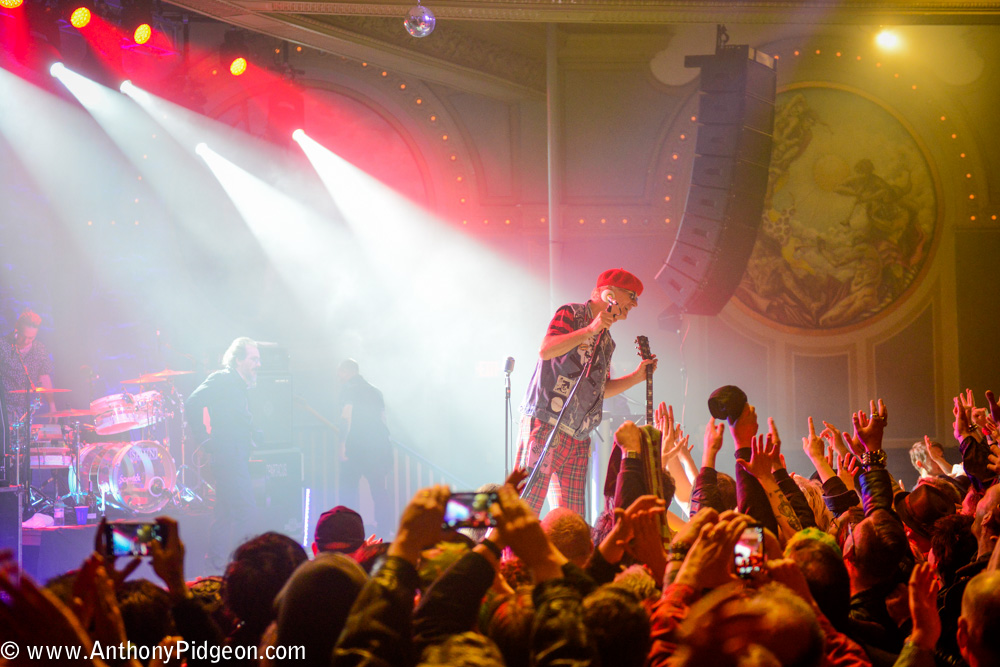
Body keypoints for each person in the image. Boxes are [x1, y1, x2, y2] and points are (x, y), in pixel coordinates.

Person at [516, 268, 656, 516]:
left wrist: (636, 377)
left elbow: (599, 391)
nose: (632, 306)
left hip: (578, 437)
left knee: (571, 519)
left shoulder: (607, 342)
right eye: (630, 297)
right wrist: (589, 329)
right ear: (609, 294)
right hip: (546, 423)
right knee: (526, 506)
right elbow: (546, 350)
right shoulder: (571, 313)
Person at [186, 336, 261, 569]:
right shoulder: (222, 378)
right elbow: (192, 403)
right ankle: (242, 564)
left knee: (225, 511)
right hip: (228, 455)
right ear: (238, 359)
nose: (258, 364)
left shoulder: (239, 385)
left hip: (234, 454)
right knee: (246, 510)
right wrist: (205, 439)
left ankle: (216, 562)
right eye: (253, 359)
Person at [0, 310, 59, 496]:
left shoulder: (39, 349)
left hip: (26, 409)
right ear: (16, 330)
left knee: (26, 455)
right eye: (24, 337)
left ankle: (25, 495)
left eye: (31, 338)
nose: (27, 342)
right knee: (8, 454)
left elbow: (44, 377)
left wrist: (52, 406)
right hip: (4, 408)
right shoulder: (3, 346)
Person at [336, 358, 393, 537]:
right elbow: (383, 419)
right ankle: (384, 530)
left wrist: (343, 444)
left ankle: (349, 532)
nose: (339, 377)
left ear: (346, 371)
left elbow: (347, 417)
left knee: (348, 489)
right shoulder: (375, 391)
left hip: (357, 447)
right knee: (379, 490)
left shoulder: (349, 389)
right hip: (378, 447)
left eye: (340, 372)